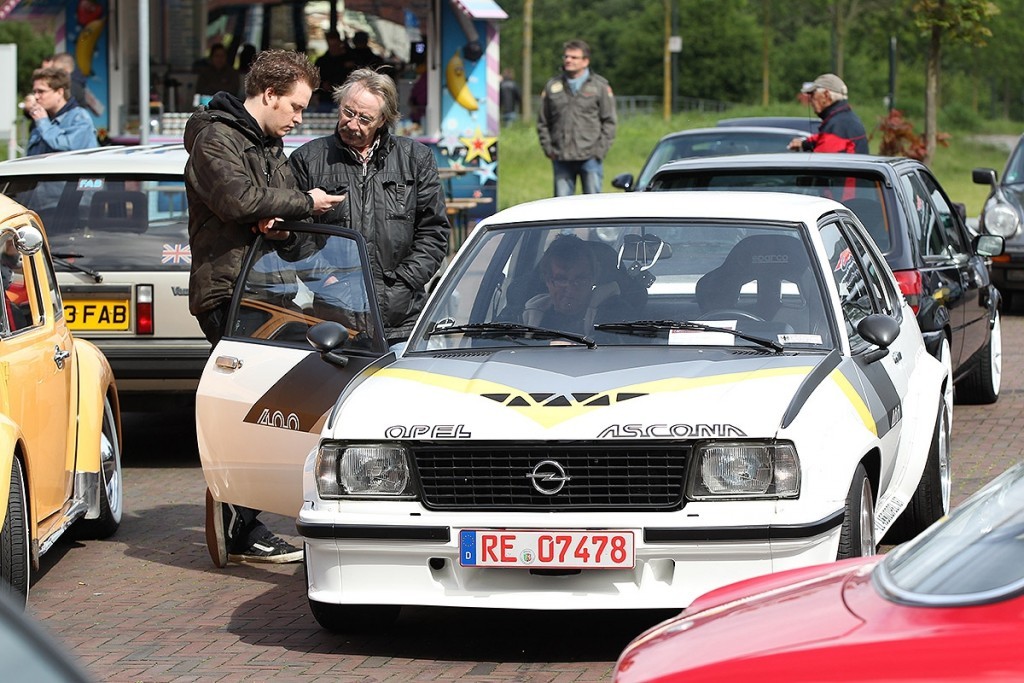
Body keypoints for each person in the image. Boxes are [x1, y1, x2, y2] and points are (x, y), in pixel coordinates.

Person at [183, 49, 346, 567]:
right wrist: (302, 203)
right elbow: (238, 199)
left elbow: (272, 212)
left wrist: (283, 225)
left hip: (267, 293)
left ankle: (242, 516)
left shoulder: (268, 145)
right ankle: (240, 526)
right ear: (269, 94)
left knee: (275, 407)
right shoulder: (215, 138)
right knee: (252, 411)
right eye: (295, 106)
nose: (299, 118)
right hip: (227, 293)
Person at [289, 68, 450, 346]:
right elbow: (296, 234)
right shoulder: (308, 160)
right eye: (348, 112)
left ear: (383, 120)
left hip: (402, 321)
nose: (352, 124)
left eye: (364, 119)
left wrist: (402, 283)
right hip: (335, 323)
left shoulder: (416, 159)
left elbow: (433, 232)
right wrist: (325, 280)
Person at [537, 39, 617, 197]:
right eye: (566, 56)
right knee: (561, 206)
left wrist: (599, 151)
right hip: (561, 157)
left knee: (592, 204)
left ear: (585, 61)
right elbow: (543, 122)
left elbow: (609, 121)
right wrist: (549, 149)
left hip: (590, 157)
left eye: (574, 57)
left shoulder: (599, 86)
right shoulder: (552, 86)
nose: (568, 60)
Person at [523, 235, 634, 333]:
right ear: (547, 280)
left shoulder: (615, 313)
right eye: (562, 280)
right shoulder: (526, 317)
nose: (571, 289)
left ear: (593, 279)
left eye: (580, 280)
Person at [23, 66, 98, 156]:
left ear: (59, 92)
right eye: (34, 92)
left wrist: (44, 123)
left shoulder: (79, 117)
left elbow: (67, 148)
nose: (36, 97)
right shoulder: (41, 120)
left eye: (41, 92)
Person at [788, 73, 868, 154]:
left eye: (812, 95)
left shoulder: (836, 126)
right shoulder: (846, 118)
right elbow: (823, 139)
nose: (810, 101)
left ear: (826, 95)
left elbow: (822, 159)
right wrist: (804, 144)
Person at [314, 30, 353, 112]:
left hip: (347, 98)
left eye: (335, 45)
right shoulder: (322, 61)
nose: (333, 48)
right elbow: (315, 81)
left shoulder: (350, 59)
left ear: (340, 43)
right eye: (331, 45)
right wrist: (322, 86)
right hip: (326, 100)